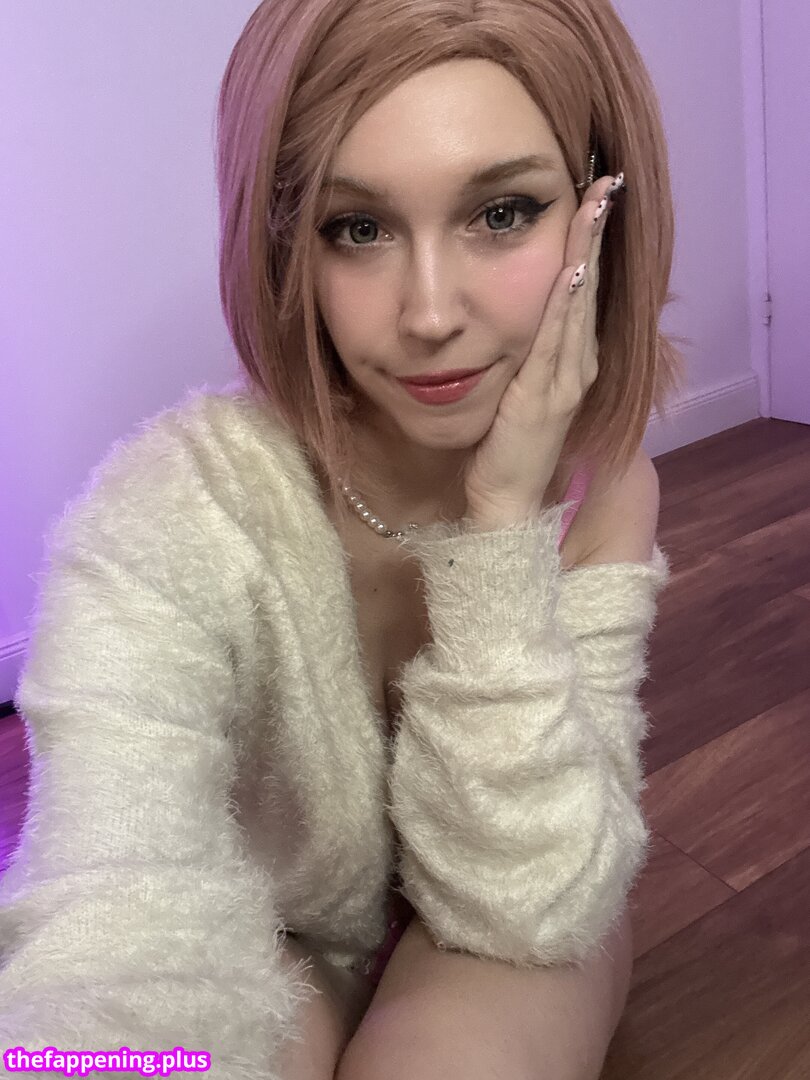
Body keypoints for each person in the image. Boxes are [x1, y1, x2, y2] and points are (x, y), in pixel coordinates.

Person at [1, 1, 687, 1077]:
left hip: (527, 907)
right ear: (285, 241)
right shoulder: (174, 514)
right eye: (356, 228)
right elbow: (112, 917)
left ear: (601, 212)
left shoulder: (606, 488)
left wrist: (503, 528)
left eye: (503, 212)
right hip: (271, 928)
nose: (429, 313)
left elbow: (537, 900)